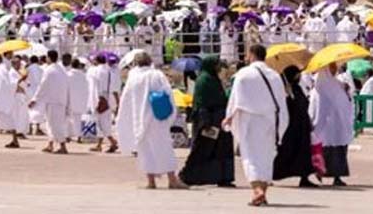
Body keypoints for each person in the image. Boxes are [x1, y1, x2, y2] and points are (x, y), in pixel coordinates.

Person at [224, 44, 289, 207]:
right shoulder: (275, 76)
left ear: (251, 55)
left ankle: (257, 190)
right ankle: (263, 193)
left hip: (249, 121)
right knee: (267, 156)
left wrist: (229, 117)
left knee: (251, 156)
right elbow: (282, 103)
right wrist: (281, 125)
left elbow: (235, 101)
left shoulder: (243, 75)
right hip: (269, 121)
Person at [116, 51, 185, 190]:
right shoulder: (156, 75)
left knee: (145, 150)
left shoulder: (133, 77)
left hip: (139, 119)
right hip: (157, 118)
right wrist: (171, 114)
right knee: (164, 148)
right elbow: (167, 93)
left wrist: (124, 117)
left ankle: (151, 181)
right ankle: (172, 179)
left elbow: (126, 99)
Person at [179, 55, 234, 187]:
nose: (219, 68)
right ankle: (188, 176)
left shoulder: (213, 79)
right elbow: (203, 102)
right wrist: (206, 123)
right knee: (203, 148)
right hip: (208, 121)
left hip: (218, 120)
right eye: (217, 65)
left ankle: (223, 177)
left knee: (222, 149)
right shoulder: (204, 80)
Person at [308, 65, 353, 187]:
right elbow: (316, 106)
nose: (335, 70)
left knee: (339, 151)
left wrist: (346, 90)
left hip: (338, 124)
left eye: (335, 67)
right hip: (325, 125)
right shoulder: (319, 86)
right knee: (324, 151)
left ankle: (337, 177)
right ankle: (320, 172)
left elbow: (345, 101)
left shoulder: (338, 84)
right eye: (332, 68)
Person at [273, 65, 316, 187]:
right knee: (287, 151)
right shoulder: (284, 90)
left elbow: (303, 104)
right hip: (291, 127)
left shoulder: (297, 88)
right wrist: (288, 96)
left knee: (304, 152)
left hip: (302, 125)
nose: (299, 77)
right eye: (297, 75)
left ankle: (305, 177)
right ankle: (270, 174)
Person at [29, 49, 69, 154]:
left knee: (54, 125)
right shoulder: (61, 69)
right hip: (60, 100)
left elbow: (43, 86)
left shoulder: (50, 70)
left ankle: (63, 146)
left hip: (53, 101)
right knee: (52, 124)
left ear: (49, 58)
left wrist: (34, 99)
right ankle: (50, 145)